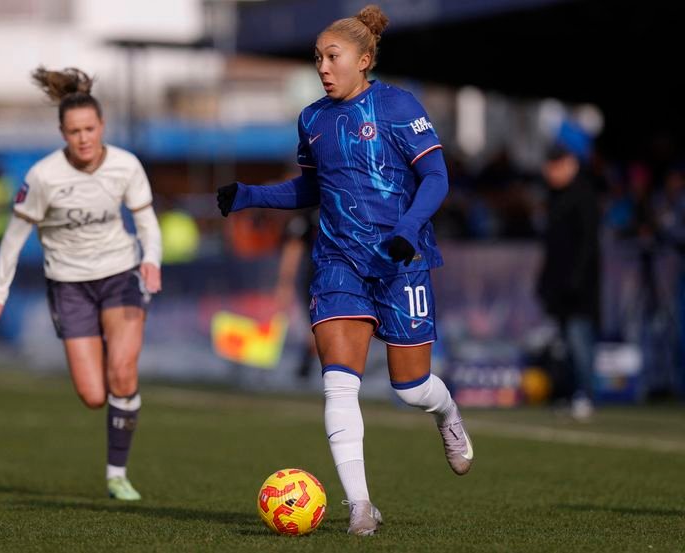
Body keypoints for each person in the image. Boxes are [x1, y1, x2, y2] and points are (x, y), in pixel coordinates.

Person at [217, 5, 473, 536]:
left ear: (363, 58)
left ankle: (447, 414)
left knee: (410, 388)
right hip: (338, 262)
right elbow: (311, 187)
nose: (323, 67)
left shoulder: (399, 106)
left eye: (332, 57)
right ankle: (360, 506)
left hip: (402, 261)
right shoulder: (312, 118)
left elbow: (436, 178)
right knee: (338, 385)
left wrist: (407, 229)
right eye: (318, 58)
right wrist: (251, 195)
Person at [0, 67, 162, 501]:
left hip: (120, 276)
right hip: (69, 285)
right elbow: (14, 236)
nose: (83, 138)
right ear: (62, 132)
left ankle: (117, 474)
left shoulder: (125, 165)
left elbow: (147, 221)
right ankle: (112, 421)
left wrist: (151, 260)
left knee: (122, 371)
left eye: (90, 129)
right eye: (74, 131)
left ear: (102, 127)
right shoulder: (43, 177)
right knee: (94, 395)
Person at [536, 143, 600, 421]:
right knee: (564, 344)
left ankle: (585, 394)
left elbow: (588, 244)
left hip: (580, 287)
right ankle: (569, 392)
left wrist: (576, 279)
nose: (549, 172)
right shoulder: (554, 197)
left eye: (554, 166)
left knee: (580, 340)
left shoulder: (583, 195)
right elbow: (551, 247)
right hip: (559, 286)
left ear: (568, 164)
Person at [274, 208, 319, 379]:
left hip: (346, 277)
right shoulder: (307, 216)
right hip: (316, 279)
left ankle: (309, 368)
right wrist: (285, 282)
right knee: (317, 327)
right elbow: (293, 248)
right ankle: (307, 368)